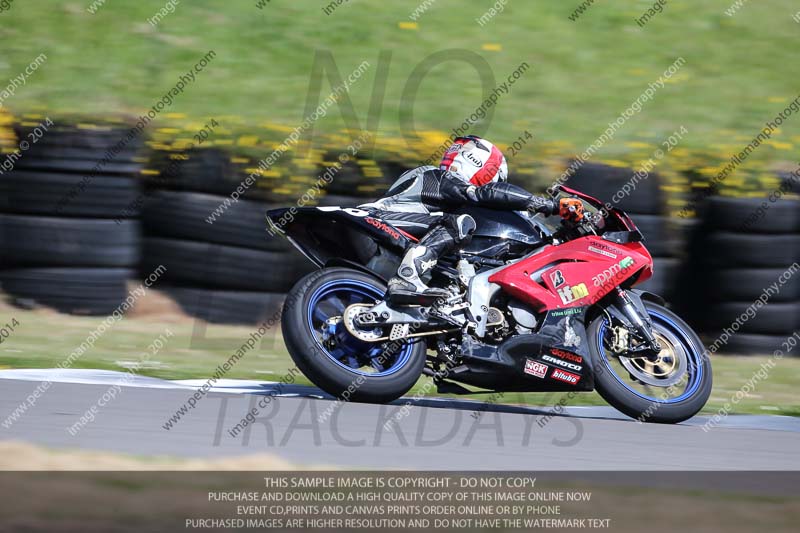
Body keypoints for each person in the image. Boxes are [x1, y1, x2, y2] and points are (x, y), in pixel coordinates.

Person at [359, 135, 579, 303]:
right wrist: (549, 205)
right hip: (378, 221)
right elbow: (481, 194)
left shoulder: (428, 180)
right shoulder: (437, 176)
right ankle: (407, 277)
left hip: (379, 230)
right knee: (459, 223)